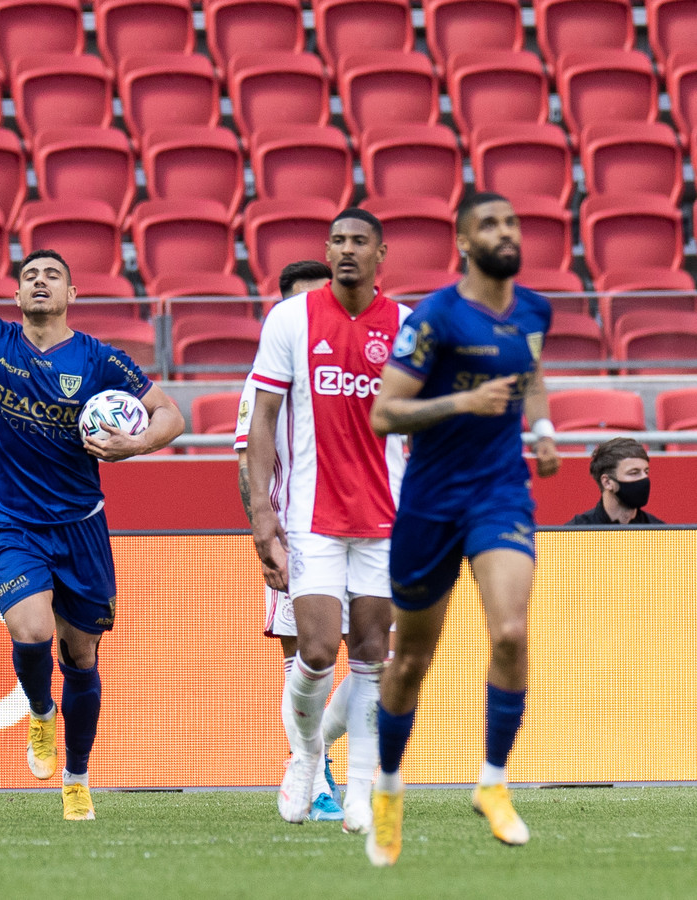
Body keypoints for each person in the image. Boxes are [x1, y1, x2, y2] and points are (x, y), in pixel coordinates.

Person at [0, 176, 184, 820]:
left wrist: (134, 446)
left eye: (51, 276)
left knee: (82, 655)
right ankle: (39, 711)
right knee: (32, 634)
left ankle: (77, 775)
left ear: (70, 294)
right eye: (30, 274)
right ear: (16, 292)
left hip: (82, 527)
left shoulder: (100, 360)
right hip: (11, 521)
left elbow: (171, 413)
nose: (39, 281)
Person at [366, 191, 561, 867]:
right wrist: (464, 402)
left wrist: (540, 429)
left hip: (501, 493)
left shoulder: (535, 309)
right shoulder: (435, 318)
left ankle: (493, 782)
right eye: (490, 224)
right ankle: (387, 788)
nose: (506, 231)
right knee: (411, 662)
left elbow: (530, 374)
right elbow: (385, 414)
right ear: (463, 242)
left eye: (511, 220)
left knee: (510, 631)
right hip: (430, 504)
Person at [246, 211, 409, 834]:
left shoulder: (408, 328)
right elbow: (262, 419)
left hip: (386, 520)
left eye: (358, 241)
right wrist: (263, 513)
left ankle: (361, 790)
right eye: (336, 240)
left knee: (372, 657)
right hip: (310, 518)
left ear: (380, 253)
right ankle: (307, 758)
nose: (345, 250)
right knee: (315, 653)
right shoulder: (290, 319)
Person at [234, 259, 350, 822]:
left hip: (363, 531)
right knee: (307, 658)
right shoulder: (263, 381)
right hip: (298, 538)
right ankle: (317, 774)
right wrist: (266, 539)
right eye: (299, 304)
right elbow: (246, 461)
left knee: (384, 657)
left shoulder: (351, 364)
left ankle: (313, 756)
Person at [567, 437, 662, 524]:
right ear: (607, 482)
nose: (644, 478)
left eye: (646, 472)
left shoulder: (660, 533)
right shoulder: (576, 533)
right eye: (634, 473)